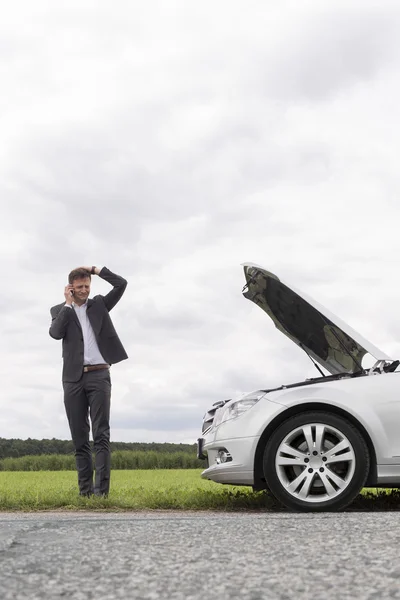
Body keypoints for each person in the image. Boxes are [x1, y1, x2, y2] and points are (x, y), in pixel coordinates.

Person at [49, 265, 128, 496]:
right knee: (79, 438)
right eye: (79, 286)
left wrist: (96, 270)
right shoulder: (59, 310)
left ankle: (101, 494)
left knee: (101, 434)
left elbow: (121, 284)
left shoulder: (100, 305)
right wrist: (67, 304)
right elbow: (55, 333)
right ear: (70, 287)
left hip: (99, 375)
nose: (84, 290)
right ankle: (85, 494)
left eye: (87, 286)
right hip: (72, 380)